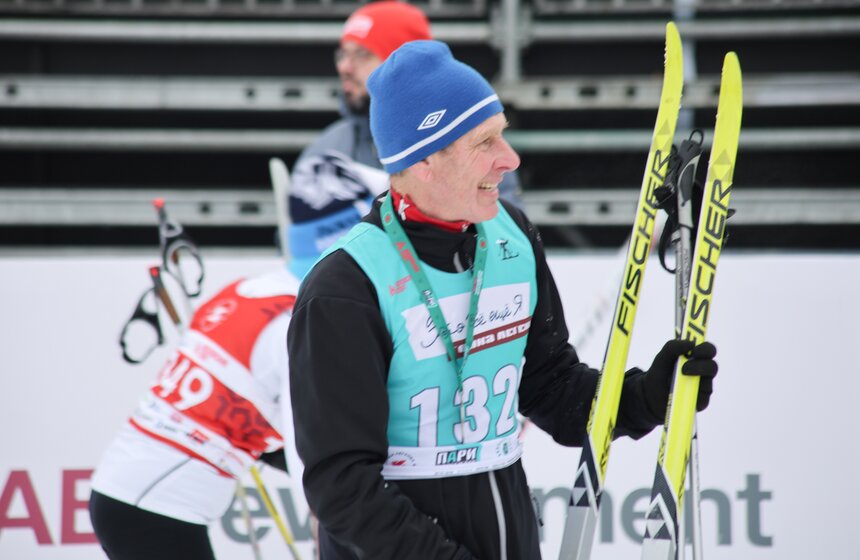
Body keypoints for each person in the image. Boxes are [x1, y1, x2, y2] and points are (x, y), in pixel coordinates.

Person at [287, 40, 719, 559]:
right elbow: (342, 486)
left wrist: (644, 397)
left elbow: (549, 386)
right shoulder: (346, 287)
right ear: (424, 159)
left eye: (503, 135)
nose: (508, 159)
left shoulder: (511, 236)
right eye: (484, 142)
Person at [287, 0, 522, 278]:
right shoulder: (326, 149)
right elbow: (296, 252)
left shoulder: (473, 142)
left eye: (362, 54)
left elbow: (504, 239)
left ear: (401, 62)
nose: (345, 67)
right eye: (342, 54)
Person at [89, 264, 303, 559]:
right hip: (153, 504)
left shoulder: (248, 288)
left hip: (132, 494)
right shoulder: (295, 318)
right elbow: (307, 441)